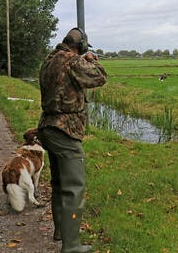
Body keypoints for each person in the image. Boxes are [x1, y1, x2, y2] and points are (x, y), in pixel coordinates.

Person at [37, 28, 107, 253]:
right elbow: (99, 77)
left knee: (58, 184)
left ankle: (60, 232)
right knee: (74, 189)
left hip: (47, 127)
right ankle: (72, 245)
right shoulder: (73, 61)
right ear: (82, 46)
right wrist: (91, 61)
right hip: (66, 131)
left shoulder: (49, 60)